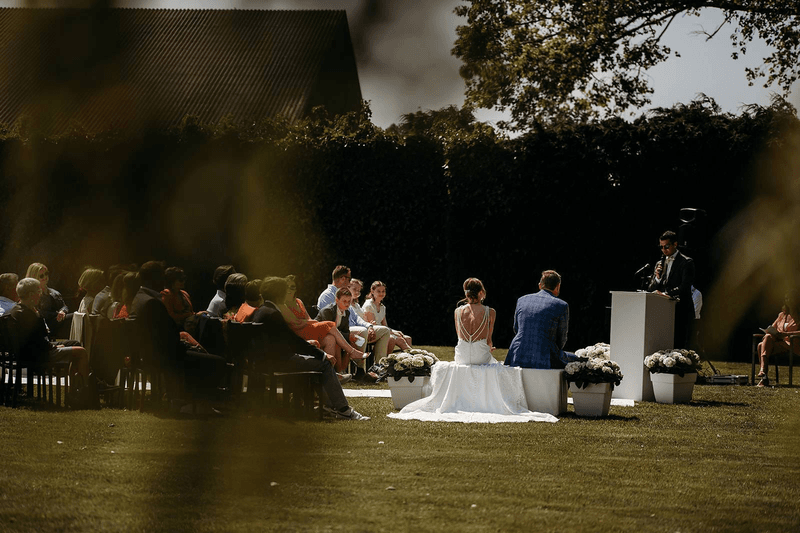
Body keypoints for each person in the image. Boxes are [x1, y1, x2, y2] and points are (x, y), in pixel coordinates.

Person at [388, 278, 557, 423]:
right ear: (481, 292)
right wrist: (488, 348)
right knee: (491, 360)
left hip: (461, 355)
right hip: (480, 355)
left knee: (468, 349)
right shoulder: (490, 312)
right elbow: (489, 341)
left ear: (466, 293)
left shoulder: (457, 311)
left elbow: (459, 336)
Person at [252, 277, 369, 420]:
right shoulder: (274, 314)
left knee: (319, 359)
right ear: (279, 294)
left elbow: (287, 341)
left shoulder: (261, 311)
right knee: (324, 364)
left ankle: (329, 406)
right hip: (280, 362)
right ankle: (343, 409)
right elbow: (294, 342)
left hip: (267, 362)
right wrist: (322, 354)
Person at [5, 277, 91, 400]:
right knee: (81, 352)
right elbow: (38, 340)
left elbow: (35, 338)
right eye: (38, 291)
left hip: (31, 351)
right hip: (38, 354)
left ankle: (75, 388)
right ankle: (85, 391)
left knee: (74, 343)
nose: (40, 295)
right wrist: (54, 346)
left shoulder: (17, 310)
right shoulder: (28, 314)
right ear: (31, 295)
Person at [281, 275, 367, 376]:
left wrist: (306, 322)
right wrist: (307, 322)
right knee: (330, 325)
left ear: (296, 288)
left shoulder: (298, 301)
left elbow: (308, 319)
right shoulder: (282, 304)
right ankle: (352, 352)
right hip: (297, 333)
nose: (289, 289)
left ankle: (331, 373)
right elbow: (294, 323)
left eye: (292, 287)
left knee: (331, 338)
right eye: (287, 286)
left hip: (308, 329)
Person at [505, 270, 580, 369]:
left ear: (540, 285)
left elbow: (516, 328)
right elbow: (561, 338)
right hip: (545, 355)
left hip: (517, 353)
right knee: (578, 359)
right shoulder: (561, 305)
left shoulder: (521, 300)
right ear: (558, 286)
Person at [648, 230, 696, 348]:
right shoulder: (660, 263)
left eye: (666, 247)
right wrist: (657, 278)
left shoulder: (686, 262)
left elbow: (685, 286)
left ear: (675, 244)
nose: (664, 250)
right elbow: (651, 288)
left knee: (679, 344)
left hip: (681, 309)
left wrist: (666, 294)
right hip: (663, 311)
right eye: (661, 247)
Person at [756, 291, 799, 387]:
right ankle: (763, 373)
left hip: (792, 343)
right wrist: (770, 332)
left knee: (761, 346)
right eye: (786, 298)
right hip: (780, 342)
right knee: (763, 342)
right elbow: (773, 328)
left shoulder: (798, 316)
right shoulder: (781, 315)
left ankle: (764, 376)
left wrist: (786, 334)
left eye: (791, 298)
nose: (788, 300)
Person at [362, 280, 412, 353]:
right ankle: (410, 354)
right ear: (372, 291)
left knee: (407, 338)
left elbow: (385, 325)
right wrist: (393, 333)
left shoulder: (382, 307)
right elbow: (374, 326)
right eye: (378, 291)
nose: (381, 293)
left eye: (383, 291)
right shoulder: (368, 305)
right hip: (373, 333)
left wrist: (395, 331)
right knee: (393, 339)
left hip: (384, 331)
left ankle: (408, 357)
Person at [25, 262, 70, 338]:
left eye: (46, 274)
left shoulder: (54, 292)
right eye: (41, 276)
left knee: (76, 318)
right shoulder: (31, 295)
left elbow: (64, 306)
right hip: (43, 326)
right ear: (34, 277)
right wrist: (56, 314)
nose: (45, 277)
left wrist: (63, 311)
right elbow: (38, 313)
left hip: (57, 323)